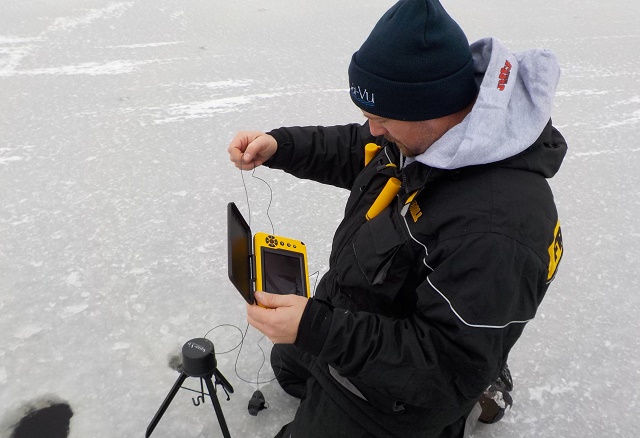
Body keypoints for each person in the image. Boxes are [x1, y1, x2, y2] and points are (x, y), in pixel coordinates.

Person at [227, 0, 566, 436]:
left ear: (432, 107)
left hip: (408, 392)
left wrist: (319, 329)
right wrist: (282, 146)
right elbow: (362, 148)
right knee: (290, 367)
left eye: (381, 118)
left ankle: (478, 379)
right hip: (360, 312)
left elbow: (445, 367)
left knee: (448, 370)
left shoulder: (495, 231)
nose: (372, 129)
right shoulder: (421, 136)